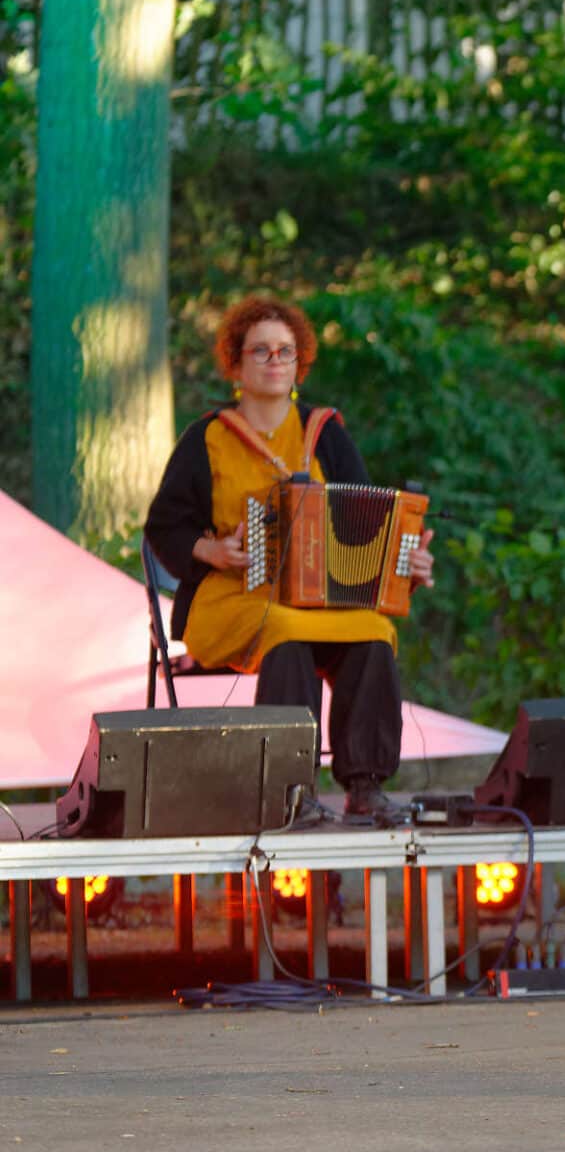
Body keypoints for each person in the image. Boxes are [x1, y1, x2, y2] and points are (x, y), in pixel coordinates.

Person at [144, 296, 434, 817]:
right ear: (235, 363)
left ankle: (364, 786)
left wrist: (402, 564)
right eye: (261, 351)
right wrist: (211, 549)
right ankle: (288, 793)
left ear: (299, 363)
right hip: (233, 595)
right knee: (285, 631)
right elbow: (164, 526)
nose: (276, 360)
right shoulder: (207, 437)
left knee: (374, 632)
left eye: (286, 351)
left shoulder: (326, 434)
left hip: (320, 604)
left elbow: (363, 526)